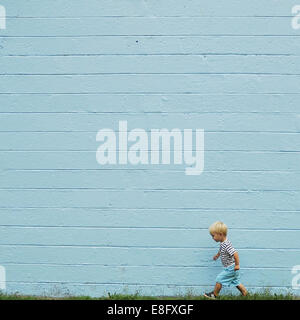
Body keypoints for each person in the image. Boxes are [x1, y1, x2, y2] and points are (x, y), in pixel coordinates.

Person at [204, 221, 247, 299]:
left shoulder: (226, 244)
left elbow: (235, 253)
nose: (212, 238)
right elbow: (221, 250)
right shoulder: (222, 243)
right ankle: (245, 294)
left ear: (220, 234)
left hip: (231, 268)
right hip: (231, 267)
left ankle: (214, 294)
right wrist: (217, 255)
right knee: (236, 282)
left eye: (213, 236)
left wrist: (237, 265)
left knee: (219, 279)